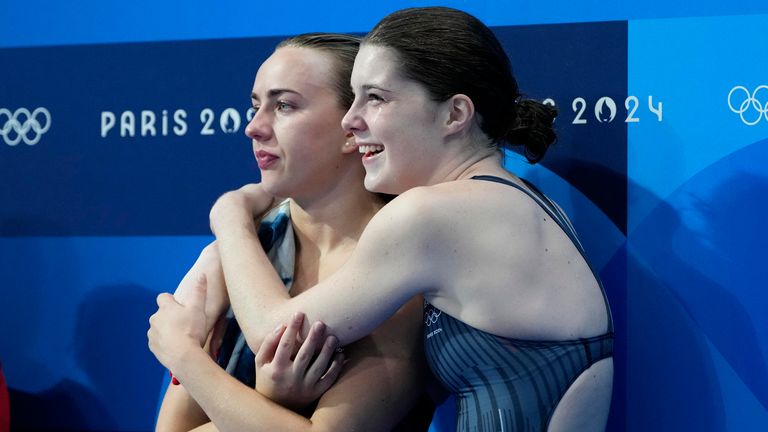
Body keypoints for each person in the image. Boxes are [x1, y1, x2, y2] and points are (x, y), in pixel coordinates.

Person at [155, 7, 615, 431]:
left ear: (455, 113)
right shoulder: (516, 201)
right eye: (353, 98)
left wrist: (228, 220)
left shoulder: (430, 215)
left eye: (374, 98)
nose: (351, 123)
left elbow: (275, 335)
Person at [149, 33, 430, 431]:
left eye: (283, 105)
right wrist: (273, 401)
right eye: (255, 105)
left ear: (354, 128)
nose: (253, 127)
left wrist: (184, 355)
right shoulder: (240, 252)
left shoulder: (400, 272)